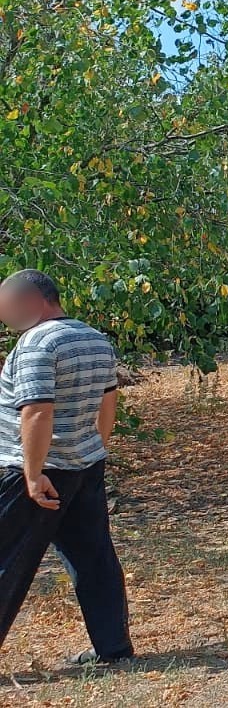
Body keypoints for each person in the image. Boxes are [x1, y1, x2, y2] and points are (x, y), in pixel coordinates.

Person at [0, 269, 133, 666]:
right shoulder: (94, 338)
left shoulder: (36, 343)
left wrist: (33, 473)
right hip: (82, 468)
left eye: (6, 307)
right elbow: (107, 404)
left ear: (33, 301)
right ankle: (114, 647)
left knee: (6, 562)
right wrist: (90, 451)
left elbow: (38, 411)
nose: (4, 317)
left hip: (35, 475)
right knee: (94, 559)